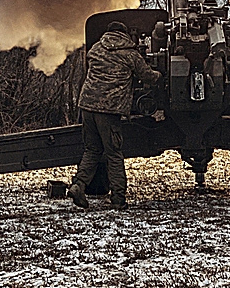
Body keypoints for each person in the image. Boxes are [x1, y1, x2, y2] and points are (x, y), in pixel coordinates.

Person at [68, 21, 161, 209]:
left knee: (92, 150)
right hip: (109, 110)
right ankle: (118, 198)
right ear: (125, 34)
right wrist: (160, 75)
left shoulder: (96, 49)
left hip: (87, 106)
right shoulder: (130, 54)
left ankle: (79, 185)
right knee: (114, 153)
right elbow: (147, 76)